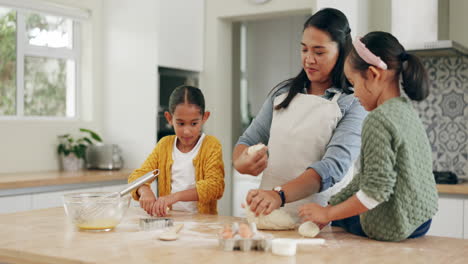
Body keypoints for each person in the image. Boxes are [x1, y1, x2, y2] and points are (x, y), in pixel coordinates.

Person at [298, 31, 438, 241]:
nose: (354, 93)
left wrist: (327, 213)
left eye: (354, 83)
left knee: (336, 223)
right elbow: (366, 178)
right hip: (420, 221)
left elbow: (375, 191)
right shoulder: (406, 110)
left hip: (393, 224)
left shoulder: (377, 120)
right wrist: (331, 205)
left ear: (373, 75)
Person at [234, 8, 367, 218]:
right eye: (304, 50)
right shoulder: (282, 93)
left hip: (323, 222)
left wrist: (279, 195)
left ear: (341, 52)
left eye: (319, 52)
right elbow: (247, 140)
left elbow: (333, 167)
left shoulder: (354, 103)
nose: (309, 59)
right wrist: (241, 162)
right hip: (270, 217)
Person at [128, 85, 225, 216]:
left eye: (194, 123)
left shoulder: (211, 145)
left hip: (202, 223)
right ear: (169, 118)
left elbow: (215, 186)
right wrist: (144, 190)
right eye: (180, 123)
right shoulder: (164, 145)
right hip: (171, 220)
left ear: (204, 117)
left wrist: (175, 197)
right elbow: (137, 176)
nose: (186, 131)